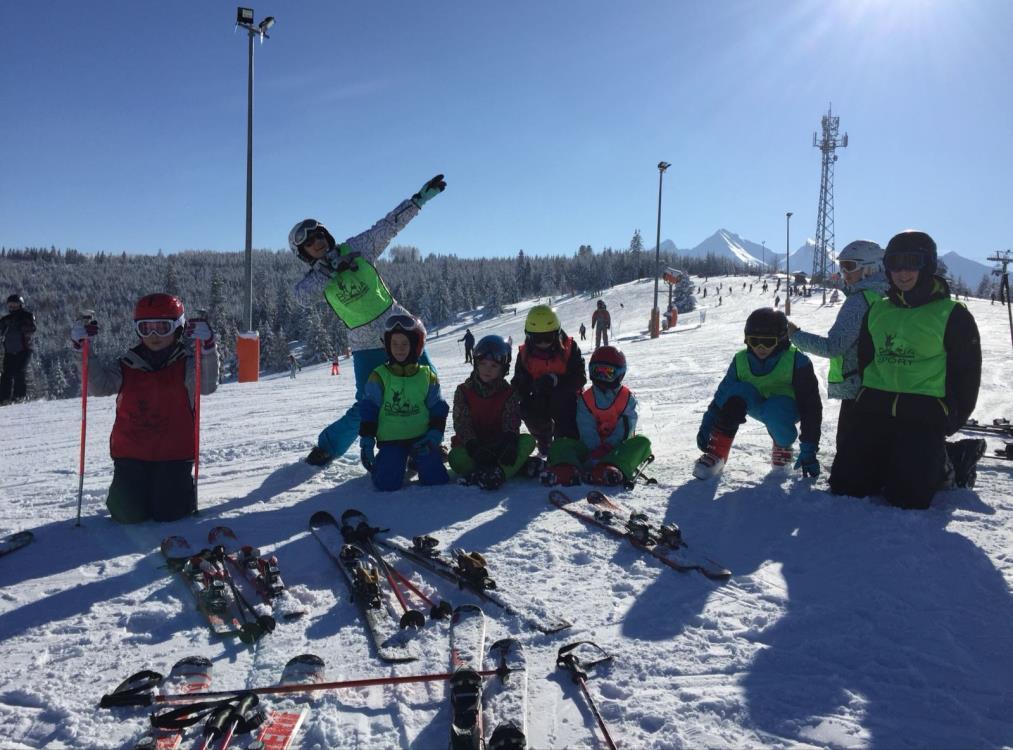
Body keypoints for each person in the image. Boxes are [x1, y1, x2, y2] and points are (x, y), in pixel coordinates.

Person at [290, 174, 446, 466]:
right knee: (368, 402)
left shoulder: (357, 248)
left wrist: (419, 199)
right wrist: (330, 271)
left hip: (398, 324)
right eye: (310, 244)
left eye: (319, 236)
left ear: (328, 235)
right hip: (363, 342)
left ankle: (427, 442)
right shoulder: (314, 280)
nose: (317, 243)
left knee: (428, 382)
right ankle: (329, 446)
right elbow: (300, 296)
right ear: (304, 254)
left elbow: (388, 225)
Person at [829, 230, 982, 509]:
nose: (902, 272)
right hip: (875, 408)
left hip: (922, 413)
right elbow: (867, 359)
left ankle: (952, 460)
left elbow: (967, 373)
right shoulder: (878, 311)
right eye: (894, 264)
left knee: (907, 497)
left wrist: (951, 417)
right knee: (845, 486)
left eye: (912, 262)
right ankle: (901, 459)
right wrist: (865, 396)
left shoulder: (952, 314)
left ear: (928, 265)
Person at [70, 294, 218, 523]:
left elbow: (206, 385)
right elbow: (99, 387)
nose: (154, 335)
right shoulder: (128, 364)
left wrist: (207, 350)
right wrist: (83, 351)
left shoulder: (186, 363)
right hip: (131, 452)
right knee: (126, 514)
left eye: (162, 327)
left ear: (178, 328)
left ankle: (172, 493)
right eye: (146, 328)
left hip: (174, 453)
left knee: (169, 513)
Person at [694, 308, 822, 480]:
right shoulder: (741, 360)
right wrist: (708, 425)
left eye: (768, 342)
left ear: (781, 339)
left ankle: (782, 444)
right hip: (756, 404)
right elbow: (722, 396)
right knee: (737, 392)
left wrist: (809, 448)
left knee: (774, 409)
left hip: (786, 410)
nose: (760, 348)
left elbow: (811, 406)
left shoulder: (797, 361)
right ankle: (717, 453)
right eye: (754, 341)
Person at [788, 240, 888, 448]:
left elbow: (833, 347)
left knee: (850, 455)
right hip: (881, 383)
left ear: (870, 267)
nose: (844, 272)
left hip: (858, 389)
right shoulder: (883, 294)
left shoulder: (859, 301)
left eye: (850, 266)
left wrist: (794, 334)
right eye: (841, 266)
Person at [358, 314, 449, 492]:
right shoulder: (379, 375)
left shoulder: (427, 375)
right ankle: (394, 461)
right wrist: (367, 438)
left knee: (436, 479)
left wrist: (434, 435)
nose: (399, 349)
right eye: (395, 344)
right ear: (388, 346)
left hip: (422, 440)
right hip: (392, 440)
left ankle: (418, 459)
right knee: (387, 484)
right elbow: (369, 409)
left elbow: (437, 407)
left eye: (405, 344)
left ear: (416, 346)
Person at [540, 346, 652, 487]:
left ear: (620, 374)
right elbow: (585, 427)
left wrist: (607, 448)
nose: (602, 377)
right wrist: (594, 451)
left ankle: (610, 469)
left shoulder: (627, 398)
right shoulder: (586, 398)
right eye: (598, 372)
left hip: (618, 449)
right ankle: (566, 469)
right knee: (560, 443)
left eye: (608, 373)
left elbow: (626, 428)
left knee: (643, 443)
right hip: (589, 450)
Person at [448, 335, 536, 490]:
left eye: (494, 366)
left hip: (499, 445)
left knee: (528, 441)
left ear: (503, 369)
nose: (487, 369)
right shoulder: (464, 391)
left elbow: (511, 421)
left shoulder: (508, 393)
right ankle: (515, 468)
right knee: (455, 458)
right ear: (476, 364)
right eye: (483, 364)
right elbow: (462, 424)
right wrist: (473, 447)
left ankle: (497, 474)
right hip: (474, 448)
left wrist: (509, 442)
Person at [511, 305, 586, 456]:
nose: (543, 343)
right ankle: (544, 439)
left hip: (568, 399)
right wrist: (532, 385)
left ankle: (566, 438)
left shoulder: (569, 348)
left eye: (548, 337)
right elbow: (518, 384)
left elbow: (580, 378)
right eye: (537, 339)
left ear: (557, 334)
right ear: (529, 337)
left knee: (561, 399)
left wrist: (556, 380)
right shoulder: (525, 354)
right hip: (541, 398)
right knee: (526, 405)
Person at [0, 294, 36, 405]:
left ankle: (19, 397)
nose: (12, 308)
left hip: (24, 349)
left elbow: (33, 328)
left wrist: (20, 326)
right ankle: (3, 399)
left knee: (19, 372)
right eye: (10, 306)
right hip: (9, 351)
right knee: (6, 375)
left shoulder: (27, 315)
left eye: (15, 305)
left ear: (21, 305)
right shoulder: (6, 319)